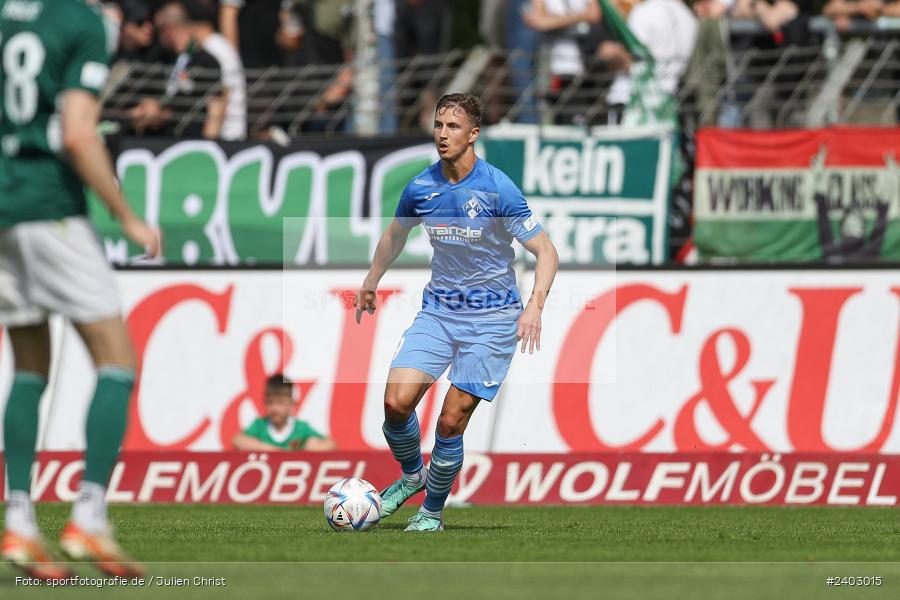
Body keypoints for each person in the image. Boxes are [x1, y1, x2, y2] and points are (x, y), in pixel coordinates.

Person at [0, 0, 162, 580]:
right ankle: (88, 517)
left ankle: (19, 524)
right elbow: (76, 131)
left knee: (28, 366)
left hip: (3, 208)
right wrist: (126, 215)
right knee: (117, 358)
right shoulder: (82, 20)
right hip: (51, 206)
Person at [355, 93, 559, 531]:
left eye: (453, 127)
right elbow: (395, 235)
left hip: (492, 321)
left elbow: (545, 251)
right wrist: (372, 279)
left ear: (473, 134)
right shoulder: (421, 187)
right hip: (439, 314)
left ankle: (431, 512)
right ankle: (412, 475)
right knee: (395, 403)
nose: (443, 134)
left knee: (450, 422)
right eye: (438, 126)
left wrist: (534, 307)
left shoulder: (497, 187)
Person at [130, 0, 247, 140]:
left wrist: (208, 145)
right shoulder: (171, 59)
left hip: (206, 141)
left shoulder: (211, 54)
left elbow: (218, 103)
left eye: (159, 30)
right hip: (168, 140)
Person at [232, 374, 336, 451]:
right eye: (270, 402)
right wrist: (272, 450)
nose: (274, 408)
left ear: (291, 404)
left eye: (280, 402)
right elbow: (238, 440)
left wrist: (309, 448)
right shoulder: (260, 425)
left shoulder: (301, 428)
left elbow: (330, 444)